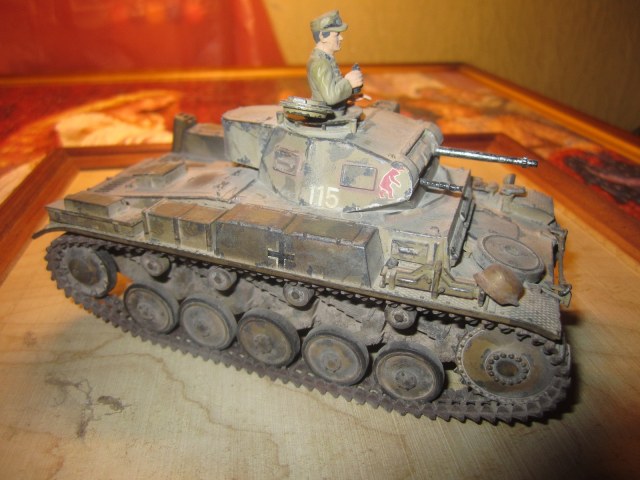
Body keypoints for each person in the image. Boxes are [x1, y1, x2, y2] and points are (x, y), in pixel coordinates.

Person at [307, 11, 363, 109]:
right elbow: (330, 98)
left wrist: (350, 94)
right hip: (329, 114)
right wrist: (349, 83)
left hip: (335, 110)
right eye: (336, 35)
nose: (341, 38)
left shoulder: (326, 58)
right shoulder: (320, 63)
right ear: (322, 37)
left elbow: (333, 87)